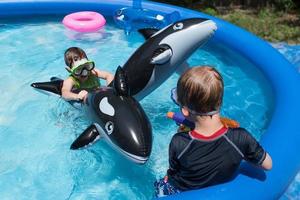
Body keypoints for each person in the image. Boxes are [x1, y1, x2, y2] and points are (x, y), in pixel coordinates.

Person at [154, 66, 272, 197]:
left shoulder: (179, 141)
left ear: (185, 111)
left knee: (161, 184)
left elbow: (173, 172)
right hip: (221, 193)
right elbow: (268, 165)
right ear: (220, 101)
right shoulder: (240, 137)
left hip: (182, 192)